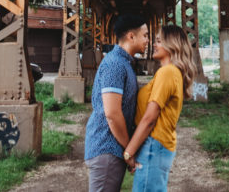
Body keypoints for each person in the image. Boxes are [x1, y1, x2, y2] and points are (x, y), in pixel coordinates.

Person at [124, 25, 197, 192]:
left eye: (158, 41)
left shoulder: (168, 73)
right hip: (157, 146)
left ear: (172, 45)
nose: (153, 44)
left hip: (153, 146)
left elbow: (150, 119)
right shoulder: (169, 72)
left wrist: (129, 152)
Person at [84, 13, 150, 192]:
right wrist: (129, 149)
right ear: (131, 36)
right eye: (145, 35)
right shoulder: (115, 64)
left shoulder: (123, 62)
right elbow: (112, 114)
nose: (148, 40)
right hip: (106, 148)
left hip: (111, 150)